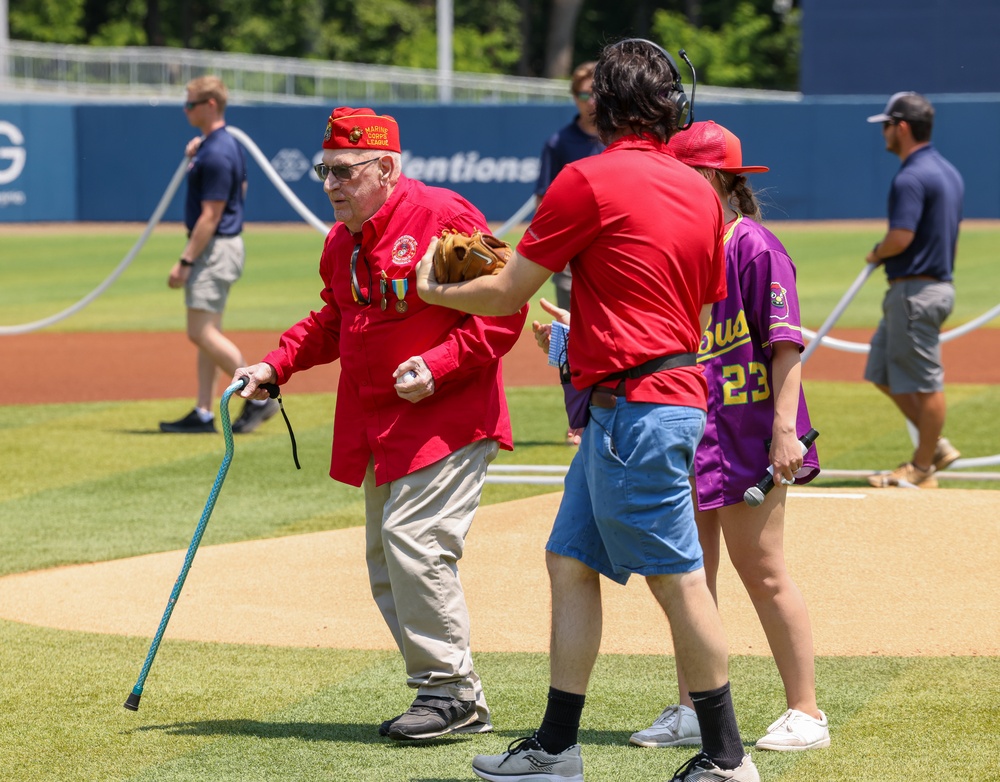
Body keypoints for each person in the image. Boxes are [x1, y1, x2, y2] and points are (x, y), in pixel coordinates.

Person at [417, 40, 760, 782]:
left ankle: (729, 759)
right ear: (671, 107)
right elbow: (690, 301)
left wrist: (435, 291)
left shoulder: (586, 178)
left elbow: (508, 291)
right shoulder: (701, 192)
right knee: (570, 562)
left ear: (601, 106)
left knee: (679, 581)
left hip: (633, 410)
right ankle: (555, 747)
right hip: (649, 399)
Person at [234, 107, 527, 742]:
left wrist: (442, 362)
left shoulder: (444, 215)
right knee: (386, 563)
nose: (331, 184)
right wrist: (274, 365)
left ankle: (448, 691)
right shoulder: (342, 242)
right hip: (379, 426)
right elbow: (333, 322)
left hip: (448, 417)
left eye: (344, 171)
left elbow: (503, 312)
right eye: (324, 171)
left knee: (415, 543)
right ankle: (453, 692)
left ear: (386, 168)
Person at [625, 120, 829, 753]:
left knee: (763, 571)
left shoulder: (755, 247)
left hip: (749, 435)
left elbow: (785, 347)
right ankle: (694, 706)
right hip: (691, 428)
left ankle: (807, 712)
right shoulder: (682, 246)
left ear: (711, 180)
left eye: (678, 176)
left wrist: (783, 435)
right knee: (691, 573)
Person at [160, 75, 279, 435]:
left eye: (191, 103)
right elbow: (239, 189)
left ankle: (260, 394)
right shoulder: (220, 147)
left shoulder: (216, 151)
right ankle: (203, 411)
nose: (186, 109)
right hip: (226, 246)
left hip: (215, 249)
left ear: (210, 105)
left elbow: (210, 216)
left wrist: (184, 261)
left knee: (200, 332)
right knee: (209, 332)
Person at [863, 92, 964, 489]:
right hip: (922, 290)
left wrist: (876, 253)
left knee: (925, 382)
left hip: (915, 294)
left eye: (887, 125)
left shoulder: (910, 176)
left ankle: (923, 468)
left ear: (901, 128)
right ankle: (934, 444)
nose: (884, 133)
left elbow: (901, 237)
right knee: (880, 369)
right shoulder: (947, 170)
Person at [534, 61, 605, 313]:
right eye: (585, 94)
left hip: (609, 241)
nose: (592, 101)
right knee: (569, 323)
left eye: (597, 93)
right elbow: (543, 198)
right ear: (575, 98)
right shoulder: (558, 143)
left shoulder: (620, 136)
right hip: (571, 245)